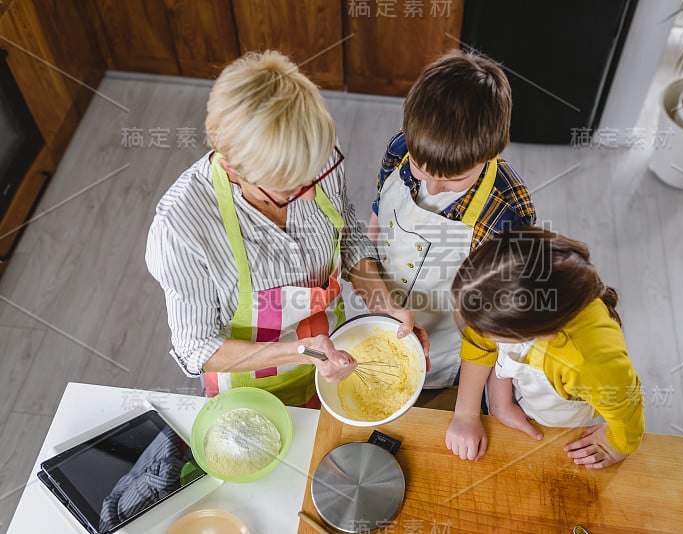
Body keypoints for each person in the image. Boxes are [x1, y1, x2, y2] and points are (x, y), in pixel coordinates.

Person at [146, 51, 427, 407]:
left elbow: (348, 236)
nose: (310, 193)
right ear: (232, 168)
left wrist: (382, 302)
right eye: (288, 189)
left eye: (313, 176)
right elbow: (197, 347)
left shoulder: (309, 151)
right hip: (250, 395)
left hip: (331, 363)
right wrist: (300, 351)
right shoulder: (182, 229)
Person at [367, 50, 536, 403]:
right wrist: (367, 271)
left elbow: (489, 325)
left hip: (446, 347)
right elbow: (379, 209)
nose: (431, 187)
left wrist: (467, 412)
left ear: (495, 150)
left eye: (452, 180)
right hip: (381, 308)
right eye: (420, 169)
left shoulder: (505, 214)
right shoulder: (403, 147)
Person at [445, 227, 644, 468]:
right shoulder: (506, 299)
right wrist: (477, 410)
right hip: (521, 394)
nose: (476, 334)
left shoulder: (588, 362)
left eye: (489, 333)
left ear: (542, 334)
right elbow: (483, 346)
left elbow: (626, 403)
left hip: (561, 419)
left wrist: (619, 444)